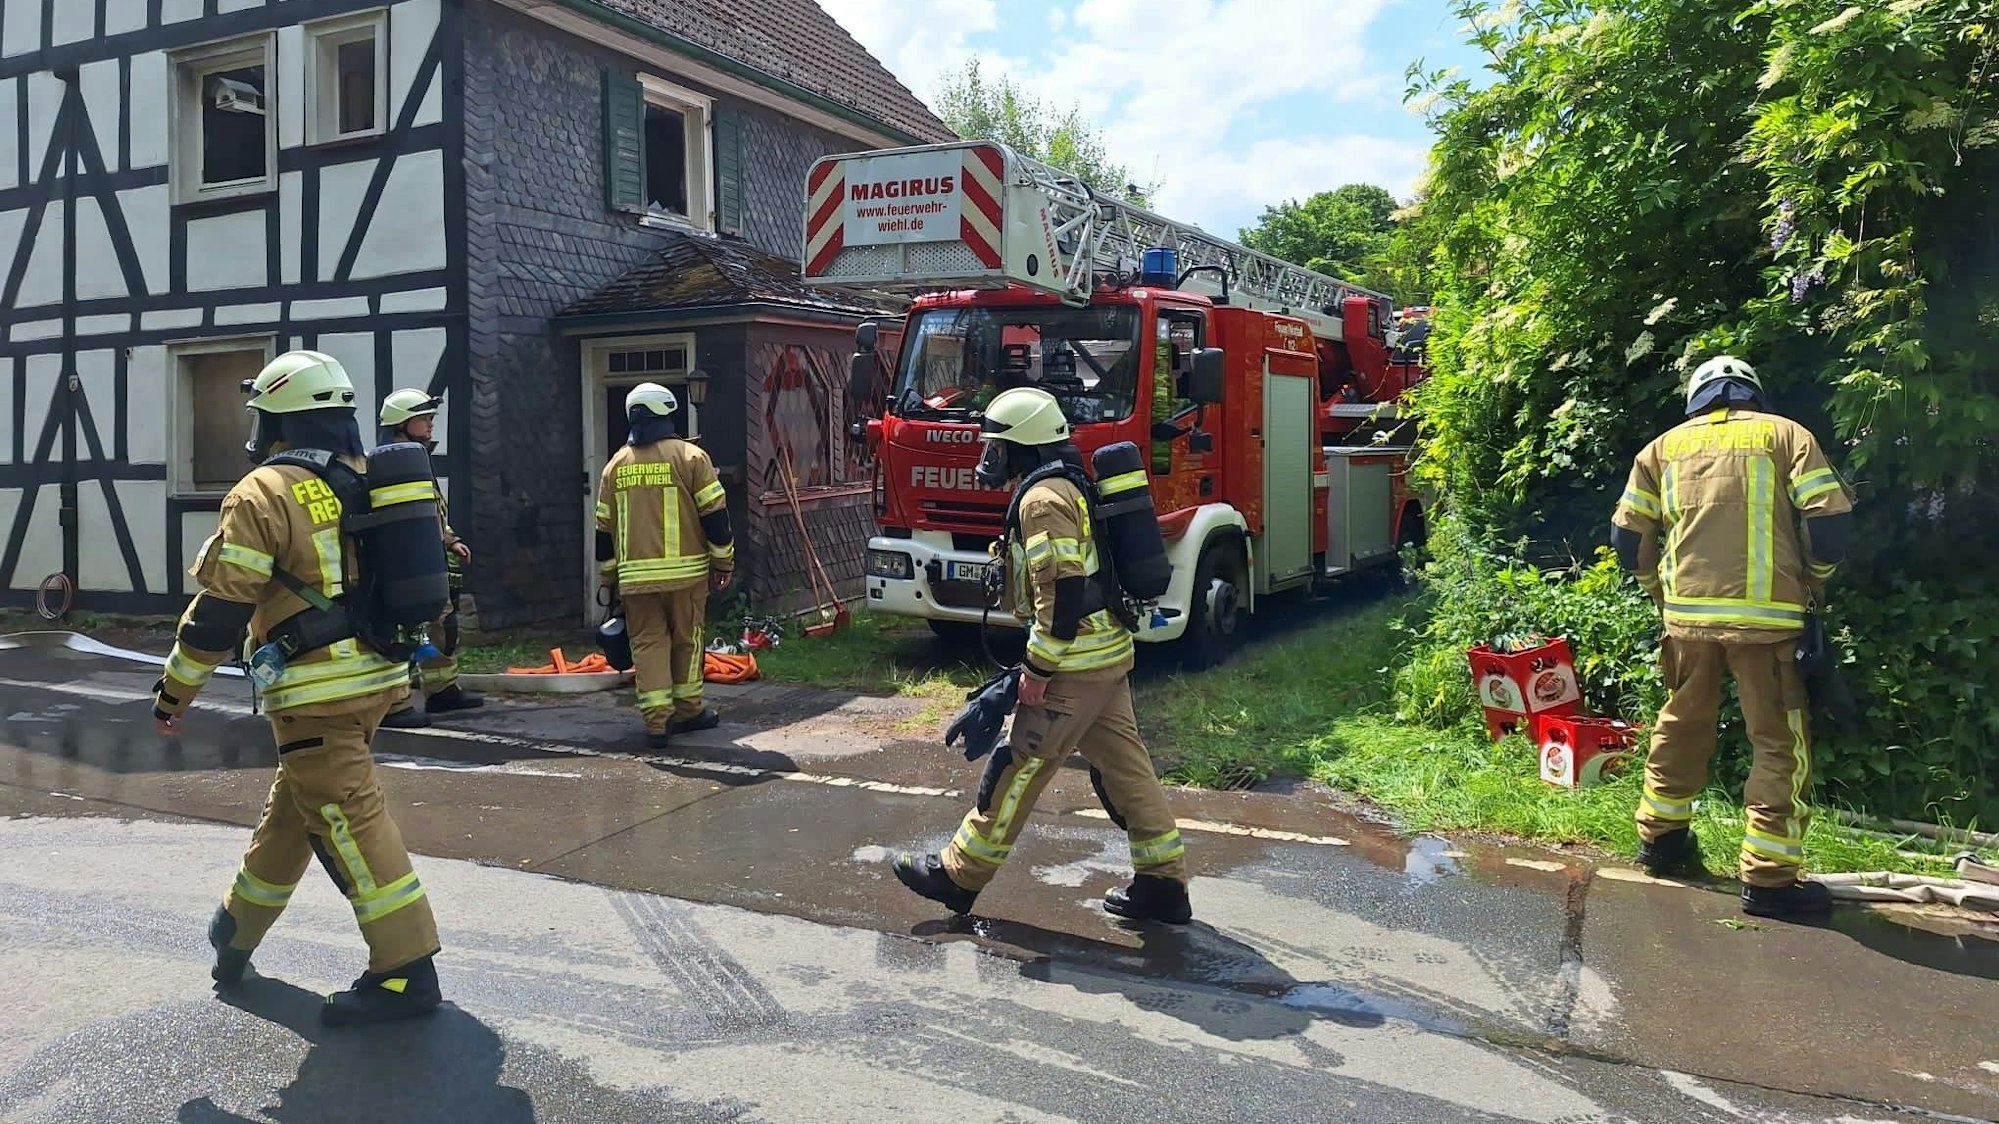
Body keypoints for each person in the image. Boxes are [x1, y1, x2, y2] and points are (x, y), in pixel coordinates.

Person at [150, 350, 443, 1025]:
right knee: (300, 808)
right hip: (376, 676)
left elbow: (222, 610)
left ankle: (405, 971)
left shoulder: (262, 491)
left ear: (276, 415)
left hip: (316, 690)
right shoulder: (370, 473)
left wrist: (175, 692)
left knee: (347, 819)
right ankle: (236, 928)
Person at [893, 386, 1192, 924]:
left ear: (1022, 445)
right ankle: (1163, 885)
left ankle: (959, 876)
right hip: (1106, 656)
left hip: (1072, 666)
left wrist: (1035, 670)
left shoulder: (1041, 499)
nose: (990, 457)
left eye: (996, 446)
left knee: (1017, 767)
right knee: (1128, 772)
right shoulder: (1065, 484)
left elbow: (1063, 588)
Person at [1611, 354, 1855, 921]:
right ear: (1752, 394)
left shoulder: (1661, 449)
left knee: (1680, 725)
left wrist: (1659, 591)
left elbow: (1628, 539)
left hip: (1687, 620)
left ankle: (1661, 842)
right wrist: (1815, 583)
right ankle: (1769, 879)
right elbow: (1829, 523)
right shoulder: (1786, 435)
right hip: (1768, 623)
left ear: (1698, 397)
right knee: (1776, 741)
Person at [594, 382, 734, 748]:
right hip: (686, 577)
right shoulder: (691, 458)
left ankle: (657, 723)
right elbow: (715, 517)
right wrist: (724, 562)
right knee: (687, 641)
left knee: (648, 644)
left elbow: (603, 532)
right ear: (666, 414)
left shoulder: (615, 466)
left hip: (635, 582)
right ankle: (688, 712)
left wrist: (608, 578)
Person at [377, 388, 483, 729]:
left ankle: (442, 691)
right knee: (403, 632)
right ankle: (396, 701)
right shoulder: (391, 463)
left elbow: (430, 514)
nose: (431, 424)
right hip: (407, 567)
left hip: (428, 563)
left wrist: (450, 540)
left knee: (442, 627)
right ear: (401, 423)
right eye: (424, 419)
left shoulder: (417, 460)